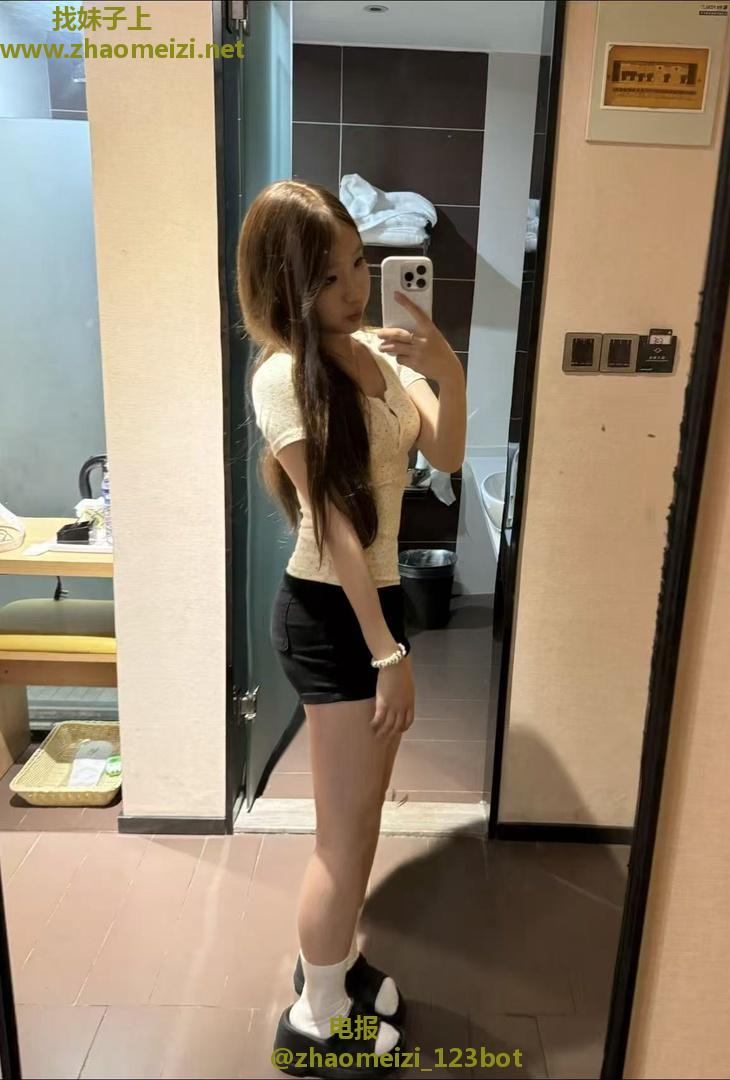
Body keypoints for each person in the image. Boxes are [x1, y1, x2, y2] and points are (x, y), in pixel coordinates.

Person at [237, 179, 466, 1078]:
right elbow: (332, 521)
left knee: (362, 821)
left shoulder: (376, 348)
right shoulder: (282, 377)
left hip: (375, 605)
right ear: (286, 286)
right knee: (343, 838)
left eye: (359, 265)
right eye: (329, 277)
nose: (355, 289)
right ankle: (316, 1017)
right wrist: (387, 654)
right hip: (335, 618)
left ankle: (336, 965)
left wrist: (444, 363)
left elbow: (445, 452)